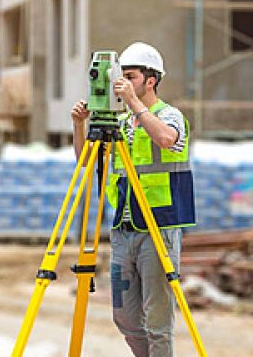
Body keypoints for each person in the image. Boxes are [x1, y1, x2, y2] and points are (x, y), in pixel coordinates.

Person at [71, 42, 196, 357]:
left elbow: (168, 139)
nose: (121, 83)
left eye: (130, 77)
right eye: (120, 77)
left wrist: (133, 104)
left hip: (159, 227)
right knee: (124, 316)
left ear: (150, 80)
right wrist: (79, 125)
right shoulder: (121, 124)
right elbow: (87, 163)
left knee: (157, 320)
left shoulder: (169, 115)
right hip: (124, 228)